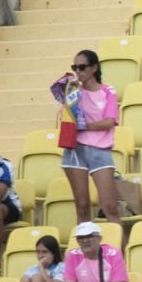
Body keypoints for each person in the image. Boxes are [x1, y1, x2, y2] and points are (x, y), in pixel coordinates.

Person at [50, 50, 122, 225]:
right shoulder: (74, 92)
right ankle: (83, 250)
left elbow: (109, 122)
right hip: (76, 149)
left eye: (82, 67)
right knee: (82, 205)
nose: (78, 72)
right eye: (75, 67)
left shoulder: (108, 91)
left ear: (94, 68)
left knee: (110, 206)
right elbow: (67, 116)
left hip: (100, 150)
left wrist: (84, 126)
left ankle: (118, 251)